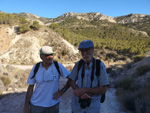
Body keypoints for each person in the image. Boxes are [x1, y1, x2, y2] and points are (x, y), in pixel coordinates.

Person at [23, 46, 70, 113]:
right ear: (41, 57)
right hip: (36, 106)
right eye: (47, 55)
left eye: (51, 54)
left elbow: (71, 78)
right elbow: (30, 87)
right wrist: (26, 106)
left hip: (53, 105)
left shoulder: (58, 66)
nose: (50, 57)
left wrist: (63, 90)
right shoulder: (36, 68)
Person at [68, 40, 109, 113]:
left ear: (93, 49)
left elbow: (103, 89)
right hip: (77, 107)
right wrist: (79, 93)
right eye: (82, 51)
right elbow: (71, 81)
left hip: (92, 108)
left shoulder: (99, 65)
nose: (84, 53)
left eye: (87, 50)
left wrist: (84, 90)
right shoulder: (79, 64)